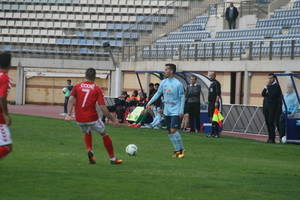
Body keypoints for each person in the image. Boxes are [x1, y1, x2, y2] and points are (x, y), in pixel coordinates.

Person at [65, 68, 122, 165]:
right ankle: (113, 159)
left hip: (79, 118)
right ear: (94, 77)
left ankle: (89, 150)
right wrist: (113, 120)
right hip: (92, 117)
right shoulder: (96, 89)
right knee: (104, 134)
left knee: (87, 131)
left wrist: (68, 114)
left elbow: (70, 100)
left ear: (85, 76)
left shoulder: (77, 87)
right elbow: (103, 107)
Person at [146, 63, 185, 158]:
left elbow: (182, 98)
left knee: (173, 130)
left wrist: (181, 110)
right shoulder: (163, 82)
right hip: (167, 111)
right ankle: (177, 150)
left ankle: (180, 150)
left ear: (171, 71)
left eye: (166, 69)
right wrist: (149, 102)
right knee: (169, 131)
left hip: (176, 111)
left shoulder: (178, 84)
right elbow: (158, 94)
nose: (165, 71)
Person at [261, 73, 282, 143]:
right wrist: (265, 88)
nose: (269, 80)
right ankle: (269, 137)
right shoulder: (268, 86)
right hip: (266, 107)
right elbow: (263, 94)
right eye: (269, 78)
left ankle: (272, 139)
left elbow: (272, 95)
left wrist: (267, 87)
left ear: (274, 78)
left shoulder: (276, 86)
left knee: (271, 122)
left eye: (271, 78)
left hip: (273, 107)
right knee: (267, 122)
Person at [0, 53, 13, 159]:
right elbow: (2, 97)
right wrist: (6, 114)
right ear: (9, 65)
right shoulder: (4, 77)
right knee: (7, 147)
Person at [208, 72, 222, 138]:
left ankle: (217, 133)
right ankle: (212, 132)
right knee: (211, 118)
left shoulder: (217, 83)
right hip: (210, 103)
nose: (209, 76)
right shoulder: (211, 83)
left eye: (211, 75)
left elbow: (218, 93)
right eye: (209, 75)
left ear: (214, 76)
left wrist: (216, 102)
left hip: (214, 103)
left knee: (215, 118)